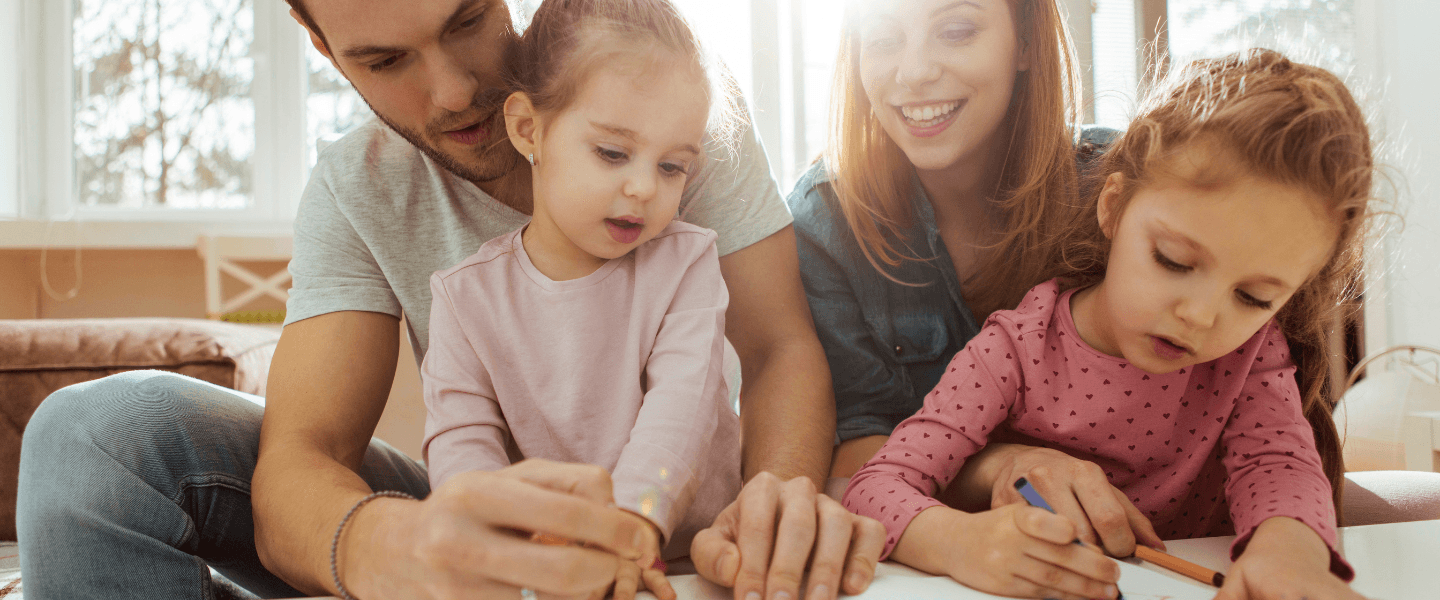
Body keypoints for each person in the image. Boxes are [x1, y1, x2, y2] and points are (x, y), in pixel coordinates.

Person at [17, 1, 887, 599]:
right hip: (476, 509)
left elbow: (776, 348)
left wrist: (772, 503)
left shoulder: (663, 109)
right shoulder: (364, 194)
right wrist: (408, 549)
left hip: (675, 507)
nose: (453, 92)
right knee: (91, 434)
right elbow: (301, 461)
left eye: (467, 16)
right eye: (384, 60)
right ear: (326, 51)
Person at [843, 48, 1375, 600]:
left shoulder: (1250, 354)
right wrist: (958, 541)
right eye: (1172, 260)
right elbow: (877, 486)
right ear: (1113, 206)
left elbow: (1278, 463)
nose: (1199, 315)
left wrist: (1289, 552)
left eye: (1254, 296)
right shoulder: (1015, 348)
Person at [788, 0, 1163, 554]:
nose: (913, 72)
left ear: (1028, 44)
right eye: (884, 39)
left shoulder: (1116, 186)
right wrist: (1004, 466)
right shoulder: (827, 220)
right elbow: (852, 451)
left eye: (957, 30)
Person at [421, 1, 741, 597]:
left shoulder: (687, 261)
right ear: (528, 130)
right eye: (612, 153)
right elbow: (461, 443)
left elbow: (683, 405)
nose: (644, 187)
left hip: (697, 562)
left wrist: (630, 523)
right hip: (561, 571)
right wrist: (499, 538)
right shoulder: (465, 297)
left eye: (672, 167)